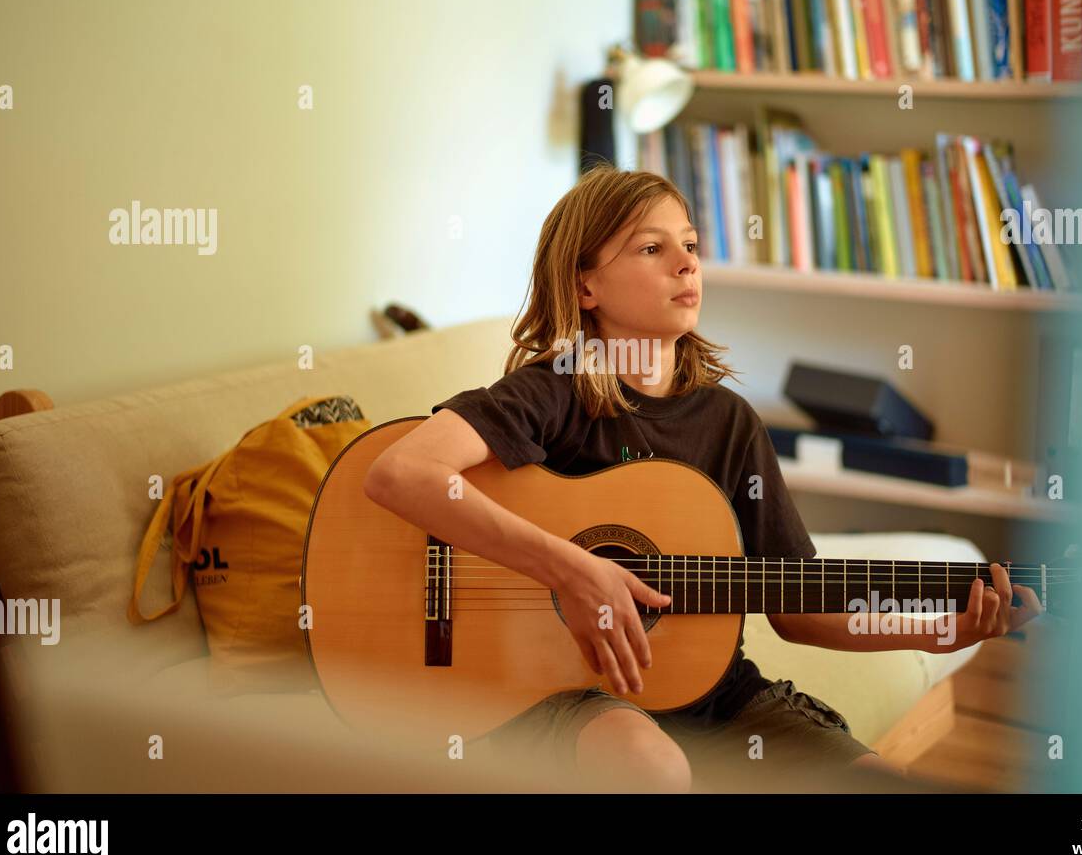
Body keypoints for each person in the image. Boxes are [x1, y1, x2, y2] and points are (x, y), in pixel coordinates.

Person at [363, 165, 1042, 792]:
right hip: (569, 695)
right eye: (651, 248)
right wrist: (571, 568)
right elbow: (401, 474)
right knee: (650, 764)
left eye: (689, 244)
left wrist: (943, 630)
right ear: (584, 285)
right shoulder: (552, 393)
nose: (688, 262)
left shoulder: (729, 423)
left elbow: (801, 607)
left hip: (717, 697)